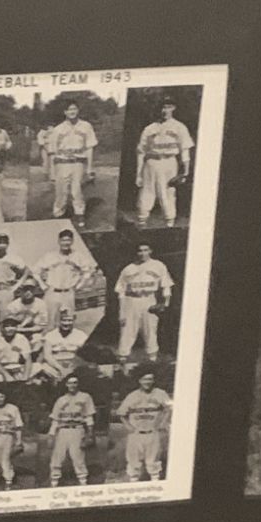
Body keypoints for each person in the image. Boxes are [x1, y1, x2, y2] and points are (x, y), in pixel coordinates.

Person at [133, 98, 194, 227]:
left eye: (168, 107)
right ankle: (142, 223)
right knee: (146, 194)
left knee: (168, 195)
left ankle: (169, 224)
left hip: (169, 162)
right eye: (162, 107)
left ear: (173, 108)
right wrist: (138, 174)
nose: (164, 110)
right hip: (151, 163)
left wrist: (186, 172)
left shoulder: (179, 127)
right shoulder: (150, 128)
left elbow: (185, 151)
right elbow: (141, 152)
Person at [114, 242, 174, 364]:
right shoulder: (128, 268)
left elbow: (166, 285)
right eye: (140, 251)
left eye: (145, 250)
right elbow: (121, 291)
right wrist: (122, 312)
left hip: (149, 300)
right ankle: (122, 359)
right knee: (127, 330)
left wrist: (166, 303)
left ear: (150, 251)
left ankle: (153, 359)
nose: (142, 253)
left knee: (150, 330)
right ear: (136, 252)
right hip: (131, 301)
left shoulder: (158, 265)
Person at [42, 100, 99, 219]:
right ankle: (58, 214)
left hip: (78, 162)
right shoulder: (58, 129)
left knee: (77, 190)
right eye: (69, 109)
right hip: (62, 162)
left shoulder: (86, 126)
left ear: (78, 110)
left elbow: (89, 147)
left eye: (74, 109)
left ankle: (79, 215)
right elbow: (52, 151)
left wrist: (89, 168)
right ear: (65, 112)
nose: (72, 112)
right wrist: (52, 172)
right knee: (61, 191)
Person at [32, 228, 97, 328]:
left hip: (68, 293)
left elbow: (88, 271)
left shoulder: (78, 256)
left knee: (67, 321)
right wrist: (43, 285)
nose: (66, 243)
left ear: (72, 241)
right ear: (59, 241)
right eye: (63, 240)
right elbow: (35, 270)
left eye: (68, 240)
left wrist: (79, 285)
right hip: (52, 292)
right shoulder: (50, 256)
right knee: (49, 322)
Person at [116, 371, 172, 482]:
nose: (147, 382)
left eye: (150, 379)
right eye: (144, 379)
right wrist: (128, 426)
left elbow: (169, 409)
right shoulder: (132, 395)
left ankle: (155, 483)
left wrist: (163, 423)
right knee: (133, 462)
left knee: (153, 462)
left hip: (152, 432)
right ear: (139, 381)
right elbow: (121, 414)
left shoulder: (160, 393)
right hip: (136, 434)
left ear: (153, 380)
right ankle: (134, 484)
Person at [47, 375, 96, 486]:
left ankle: (82, 480)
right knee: (57, 456)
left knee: (77, 456)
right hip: (62, 430)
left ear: (78, 384)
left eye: (75, 382)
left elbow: (89, 417)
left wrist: (90, 434)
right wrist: (51, 435)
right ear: (66, 385)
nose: (72, 385)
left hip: (77, 429)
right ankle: (54, 481)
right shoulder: (61, 400)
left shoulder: (85, 397)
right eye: (70, 383)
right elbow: (55, 419)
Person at [31, 309, 88, 384]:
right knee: (41, 371)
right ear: (59, 321)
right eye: (63, 320)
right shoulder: (50, 335)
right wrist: (60, 369)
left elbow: (84, 354)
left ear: (74, 321)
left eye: (69, 320)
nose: (66, 323)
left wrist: (71, 368)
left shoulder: (81, 335)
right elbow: (47, 356)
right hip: (54, 365)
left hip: (74, 364)